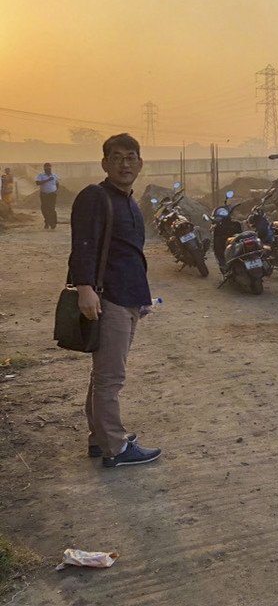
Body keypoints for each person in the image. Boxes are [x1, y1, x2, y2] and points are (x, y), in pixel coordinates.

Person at [69, 134, 161, 467]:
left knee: (103, 374)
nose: (125, 163)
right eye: (117, 157)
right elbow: (82, 245)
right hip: (109, 300)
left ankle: (100, 437)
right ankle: (117, 449)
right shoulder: (96, 197)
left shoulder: (128, 201)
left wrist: (143, 298)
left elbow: (129, 255)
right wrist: (84, 287)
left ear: (140, 163)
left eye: (131, 157)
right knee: (110, 378)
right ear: (105, 163)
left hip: (128, 297)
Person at [35, 162, 60, 228]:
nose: (48, 170)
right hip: (44, 194)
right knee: (44, 208)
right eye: (46, 169)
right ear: (44, 169)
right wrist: (47, 180)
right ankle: (47, 221)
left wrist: (55, 191)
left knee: (51, 208)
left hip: (52, 194)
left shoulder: (54, 175)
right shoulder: (41, 175)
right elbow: (37, 183)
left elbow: (57, 183)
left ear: (50, 169)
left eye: (49, 169)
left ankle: (53, 223)